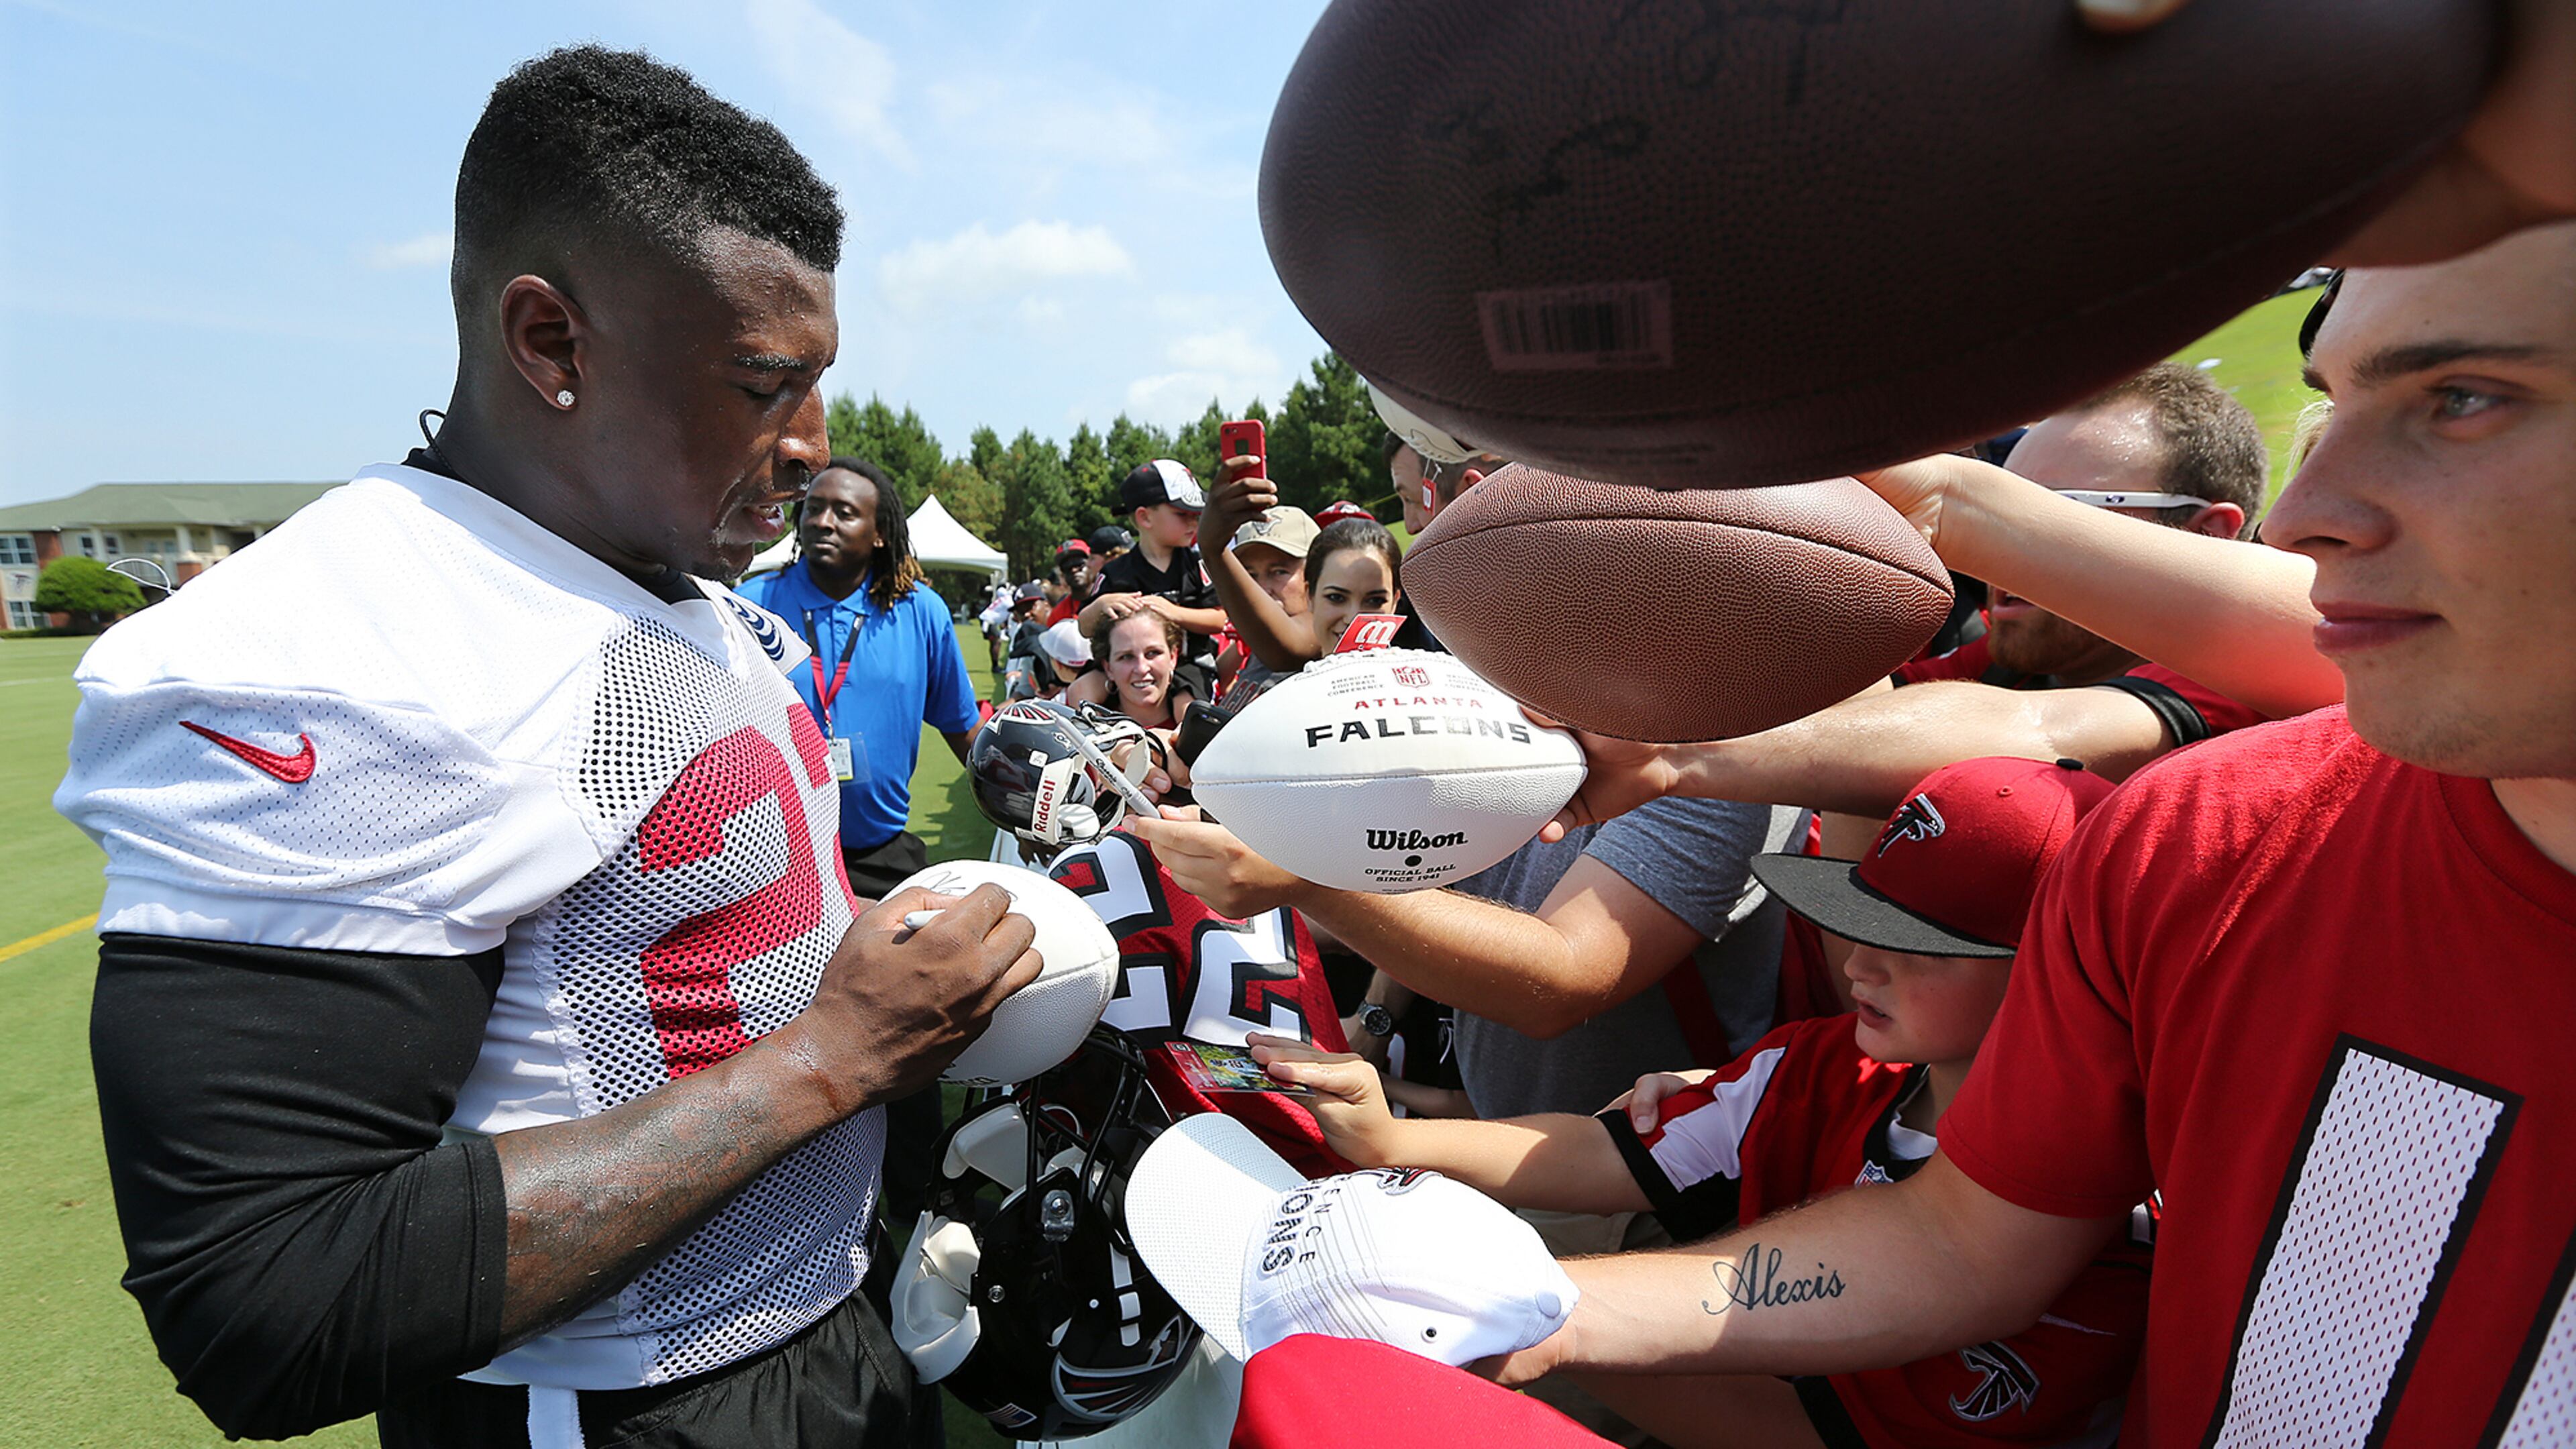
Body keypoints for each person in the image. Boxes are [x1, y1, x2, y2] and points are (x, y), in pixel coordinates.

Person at [54, 46, 1040, 1448]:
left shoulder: (677, 587)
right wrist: (836, 1057)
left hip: (819, 1333)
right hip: (627, 1402)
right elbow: (270, 1292)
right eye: (766, 382)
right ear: (550, 343)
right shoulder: (356, 645)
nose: (815, 445)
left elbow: (683, 950)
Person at [1473, 219, 2576, 1443]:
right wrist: (1533, 1304)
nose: (2306, 509)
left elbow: (2036, 722)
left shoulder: (2206, 760)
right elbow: (1959, 1240)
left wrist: (1692, 749)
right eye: (2333, 404)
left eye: (2464, 398)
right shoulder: (2201, 833)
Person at [1250, 758, 2144, 1449]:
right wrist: (1391, 1139)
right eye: (1862, 919)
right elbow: (1611, 1155)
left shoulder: (2102, 1236)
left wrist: (1521, 1322)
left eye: (1922, 948)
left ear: (2061, 967)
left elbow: (1791, 1437)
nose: (1862, 965)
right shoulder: (1824, 1060)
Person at [735, 455, 978, 896]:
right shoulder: (750, 606)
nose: (824, 522)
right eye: (813, 508)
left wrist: (1017, 804)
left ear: (881, 533)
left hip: (880, 854)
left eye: (844, 513)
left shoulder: (920, 610)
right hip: (772, 856)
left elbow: (962, 729)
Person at [1081, 460, 1226, 655]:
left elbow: (1219, 620)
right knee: (1083, 686)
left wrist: (1174, 612)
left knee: (1184, 688)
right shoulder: (1115, 572)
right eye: (1183, 514)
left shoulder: (1198, 564)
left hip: (1189, 665)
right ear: (1145, 518)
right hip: (1128, 669)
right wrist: (1102, 605)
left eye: (1197, 515)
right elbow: (1084, 627)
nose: (1193, 522)